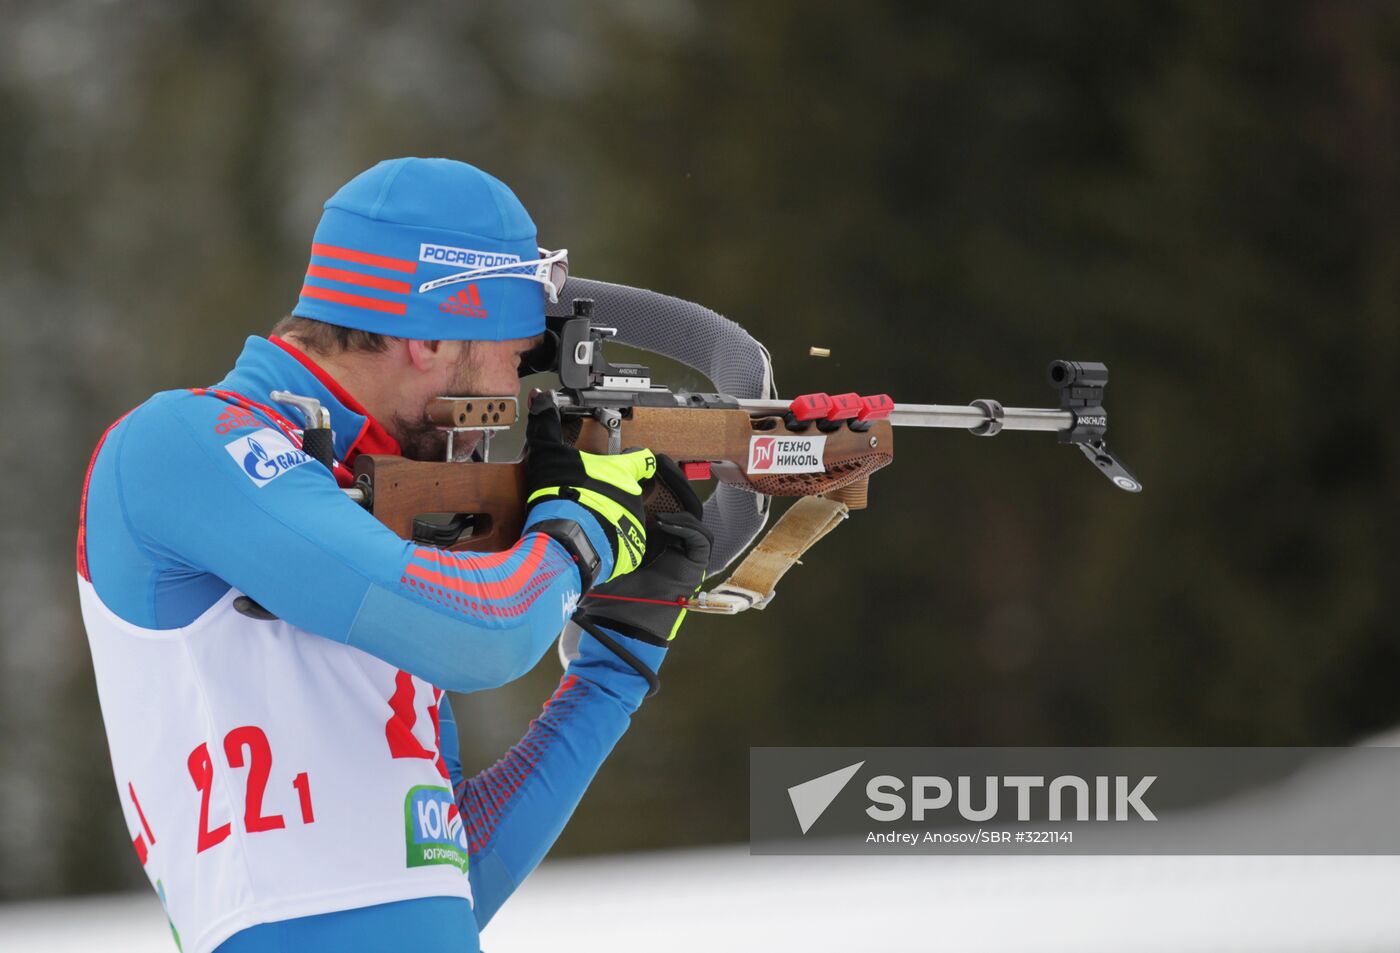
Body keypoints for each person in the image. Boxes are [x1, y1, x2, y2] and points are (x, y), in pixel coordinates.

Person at [75, 157, 711, 953]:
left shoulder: (388, 527)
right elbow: (486, 633)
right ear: (433, 335)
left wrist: (616, 663)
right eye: (513, 356)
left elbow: (444, 881)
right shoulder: (176, 445)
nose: (513, 394)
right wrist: (577, 536)